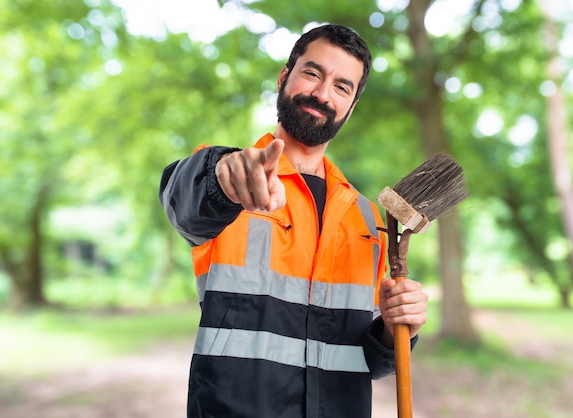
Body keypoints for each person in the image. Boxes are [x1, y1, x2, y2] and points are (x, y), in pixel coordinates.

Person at [159, 24, 428, 418]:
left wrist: (396, 328)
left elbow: (369, 362)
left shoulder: (369, 221)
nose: (322, 94)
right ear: (285, 77)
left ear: (351, 107)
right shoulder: (230, 178)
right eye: (312, 73)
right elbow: (184, 197)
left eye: (341, 87)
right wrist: (224, 176)